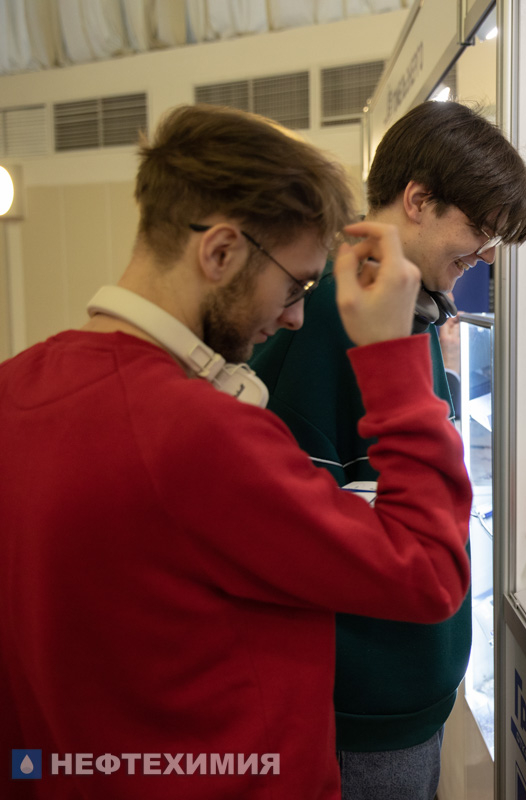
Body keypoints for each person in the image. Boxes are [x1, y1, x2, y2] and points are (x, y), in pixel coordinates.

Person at [0, 105, 472, 798]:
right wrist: (397, 360)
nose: (293, 317)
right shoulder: (199, 435)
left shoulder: (15, 388)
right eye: (294, 286)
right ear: (219, 252)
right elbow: (428, 572)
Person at [249, 100, 526, 799]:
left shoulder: (400, 312)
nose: (485, 256)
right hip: (365, 701)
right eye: (477, 231)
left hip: (401, 682)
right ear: (418, 200)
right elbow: (305, 534)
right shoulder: (336, 320)